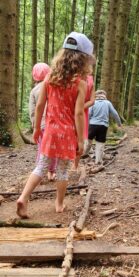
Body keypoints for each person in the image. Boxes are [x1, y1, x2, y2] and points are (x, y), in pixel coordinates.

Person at [16, 32, 94, 218]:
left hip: (50, 130)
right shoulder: (80, 83)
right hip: (67, 133)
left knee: (41, 166)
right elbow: (78, 113)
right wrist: (81, 141)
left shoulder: (50, 77)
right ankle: (59, 204)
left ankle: (23, 197)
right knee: (62, 170)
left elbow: (41, 105)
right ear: (83, 59)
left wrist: (36, 128)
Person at [29, 62, 56, 181]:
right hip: (54, 124)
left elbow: (33, 111)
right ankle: (51, 172)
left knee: (42, 148)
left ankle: (39, 172)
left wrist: (34, 125)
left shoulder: (34, 91)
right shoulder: (53, 86)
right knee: (53, 148)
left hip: (41, 125)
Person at [84, 90, 122, 164]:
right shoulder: (108, 103)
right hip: (103, 126)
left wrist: (87, 124)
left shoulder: (93, 102)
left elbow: (88, 114)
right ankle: (98, 161)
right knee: (100, 143)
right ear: (105, 95)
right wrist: (119, 124)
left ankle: (83, 154)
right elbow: (115, 114)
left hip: (92, 125)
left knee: (88, 140)